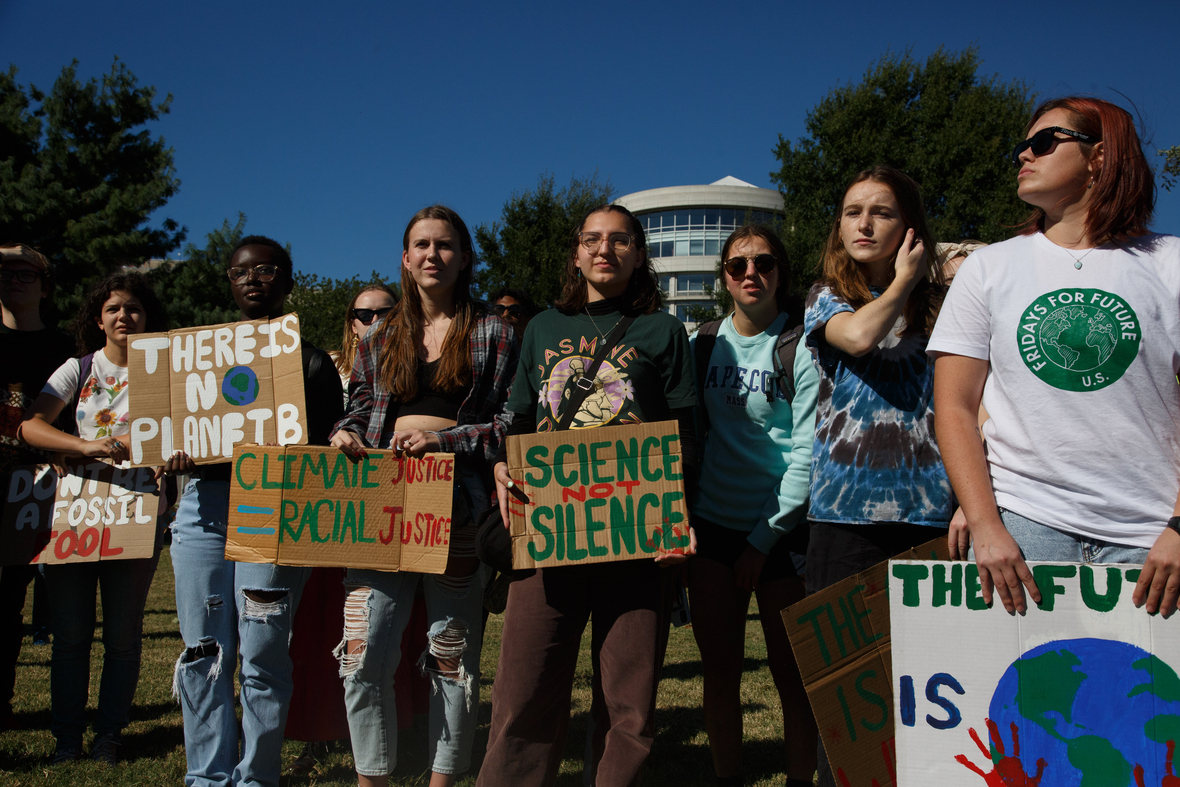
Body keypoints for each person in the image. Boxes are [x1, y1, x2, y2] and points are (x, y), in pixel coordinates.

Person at [929, 97, 1180, 616]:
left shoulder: (1171, 264)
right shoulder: (987, 269)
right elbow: (953, 407)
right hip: (1022, 526)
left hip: (1152, 535)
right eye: (1022, 145)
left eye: (1043, 142)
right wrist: (984, 524)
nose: (1024, 154)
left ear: (1100, 157)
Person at [478, 203, 699, 787]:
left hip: (638, 532)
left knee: (629, 703)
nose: (606, 249)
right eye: (593, 240)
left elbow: (686, 437)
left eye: (621, 240)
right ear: (576, 253)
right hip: (549, 529)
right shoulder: (543, 328)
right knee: (524, 687)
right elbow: (520, 421)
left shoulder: (665, 332)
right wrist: (504, 466)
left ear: (640, 254)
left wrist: (680, 519)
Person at [329, 205, 517, 787]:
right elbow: (361, 407)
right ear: (405, 260)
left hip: (459, 503)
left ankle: (443, 778)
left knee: (451, 652)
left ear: (464, 258)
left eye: (444, 245)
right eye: (421, 245)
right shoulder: (379, 336)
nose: (432, 255)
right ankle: (373, 777)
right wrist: (348, 432)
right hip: (382, 504)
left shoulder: (497, 330)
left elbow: (513, 423)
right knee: (362, 652)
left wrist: (443, 438)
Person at [167, 235, 343, 787]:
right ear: (229, 280)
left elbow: (326, 451)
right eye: (240, 271)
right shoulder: (189, 361)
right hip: (202, 512)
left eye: (266, 270)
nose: (252, 279)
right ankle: (207, 776)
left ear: (287, 281)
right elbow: (168, 427)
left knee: (263, 650)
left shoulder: (312, 363)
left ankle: (257, 776)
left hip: (273, 511)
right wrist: (167, 452)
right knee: (203, 652)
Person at [802, 166, 953, 787]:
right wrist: (903, 283)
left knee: (934, 688)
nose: (863, 223)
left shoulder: (947, 304)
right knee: (844, 698)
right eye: (851, 210)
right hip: (843, 515)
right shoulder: (825, 296)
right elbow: (861, 338)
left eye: (881, 211)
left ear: (909, 224)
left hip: (932, 513)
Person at [18, 272, 169, 764]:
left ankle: (109, 735)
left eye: (134, 309)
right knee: (70, 637)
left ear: (147, 318)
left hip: (139, 516)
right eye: (114, 309)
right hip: (76, 517)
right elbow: (32, 426)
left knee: (123, 637)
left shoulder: (167, 371)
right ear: (98, 320)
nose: (124, 317)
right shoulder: (77, 369)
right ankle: (67, 739)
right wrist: (81, 444)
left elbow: (189, 433)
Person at [688, 224, 818, 787]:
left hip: (784, 534)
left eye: (763, 263)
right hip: (713, 527)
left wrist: (762, 541)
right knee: (719, 674)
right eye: (738, 265)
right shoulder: (703, 341)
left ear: (780, 274)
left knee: (793, 677)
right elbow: (690, 435)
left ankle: (797, 779)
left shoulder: (801, 344)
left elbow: (808, 455)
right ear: (724, 277)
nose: (751, 274)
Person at [284, 280, 399, 776]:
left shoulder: (405, 365)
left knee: (375, 632)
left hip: (381, 514)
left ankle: (383, 737)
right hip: (325, 517)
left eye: (384, 314)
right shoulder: (325, 366)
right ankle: (319, 734)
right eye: (364, 315)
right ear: (350, 320)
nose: (373, 323)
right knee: (323, 629)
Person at [0, 244, 76, 732]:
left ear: (45, 288)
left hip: (38, 485)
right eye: (5, 272)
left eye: (26, 274)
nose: (13, 280)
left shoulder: (63, 349)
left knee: (12, 600)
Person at [332, 283, 399, 398]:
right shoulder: (333, 365)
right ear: (353, 326)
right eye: (365, 314)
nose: (376, 321)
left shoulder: (416, 363)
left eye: (385, 314)